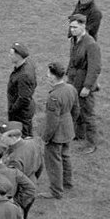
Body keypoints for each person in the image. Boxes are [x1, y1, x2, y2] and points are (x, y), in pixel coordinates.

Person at [38, 63, 78, 199]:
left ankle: (56, 191)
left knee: (54, 162)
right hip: (68, 128)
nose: (47, 76)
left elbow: (52, 122)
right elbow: (76, 110)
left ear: (54, 77)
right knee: (66, 156)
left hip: (57, 134)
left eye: (49, 74)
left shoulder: (53, 96)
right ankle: (67, 183)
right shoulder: (71, 88)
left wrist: (45, 137)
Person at [67, 14, 101, 152]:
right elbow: (72, 58)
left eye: (75, 27)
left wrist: (87, 86)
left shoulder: (91, 44)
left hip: (83, 81)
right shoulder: (74, 40)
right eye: (71, 27)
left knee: (87, 112)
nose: (72, 30)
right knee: (76, 109)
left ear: (83, 26)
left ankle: (92, 143)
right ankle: (79, 134)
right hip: (73, 79)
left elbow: (95, 68)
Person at [6, 42, 37, 137]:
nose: (9, 56)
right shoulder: (28, 64)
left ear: (18, 56)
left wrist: (13, 109)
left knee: (23, 137)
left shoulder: (23, 75)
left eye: (11, 54)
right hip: (23, 109)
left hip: (21, 113)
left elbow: (24, 98)